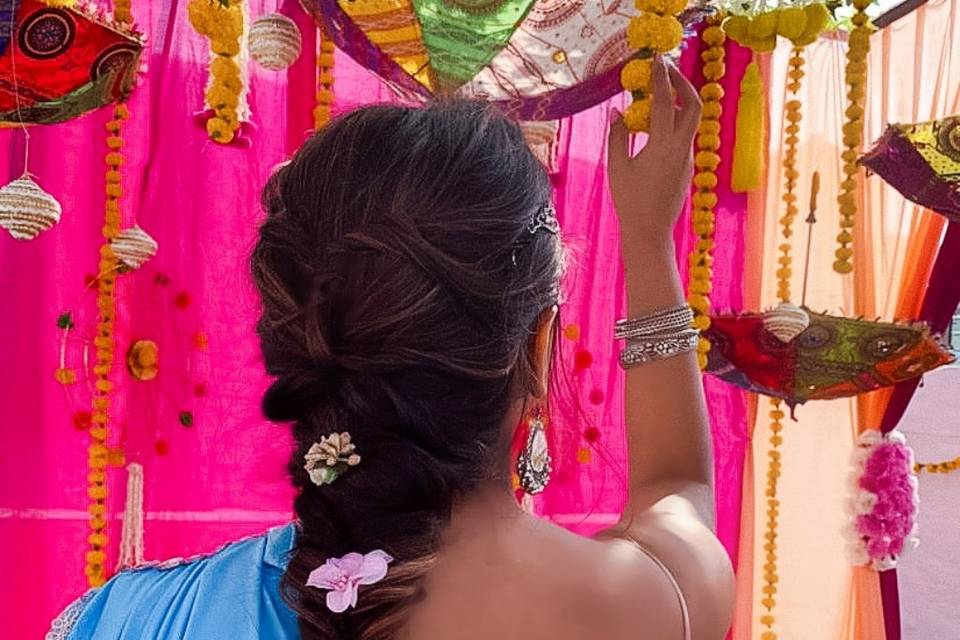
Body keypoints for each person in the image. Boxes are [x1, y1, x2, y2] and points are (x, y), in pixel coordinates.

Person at [50, 59, 733, 640]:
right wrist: (647, 241)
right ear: (535, 344)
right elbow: (680, 490)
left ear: (303, 341)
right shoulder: (632, 608)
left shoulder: (128, 617)